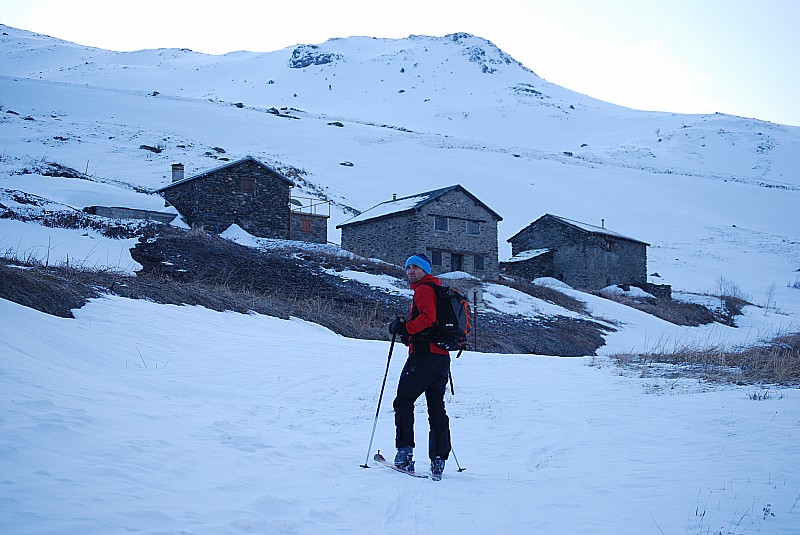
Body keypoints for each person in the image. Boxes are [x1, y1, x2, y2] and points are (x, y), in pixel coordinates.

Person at [388, 253, 451, 480]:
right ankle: (438, 460)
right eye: (408, 268)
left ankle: (404, 454)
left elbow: (428, 318)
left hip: (424, 357)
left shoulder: (425, 289)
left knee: (403, 401)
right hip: (441, 358)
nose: (410, 271)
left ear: (425, 271)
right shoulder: (437, 290)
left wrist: (405, 329)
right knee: (436, 407)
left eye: (415, 267)